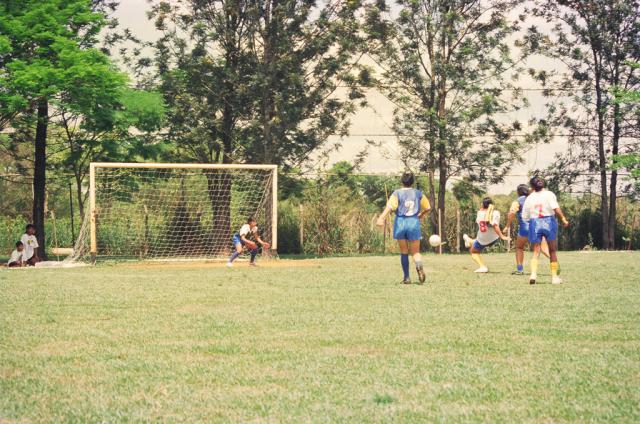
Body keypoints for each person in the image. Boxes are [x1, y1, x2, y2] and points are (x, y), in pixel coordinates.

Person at [376, 171, 431, 284]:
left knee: (404, 251)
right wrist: (421, 214)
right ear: (412, 182)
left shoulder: (397, 193)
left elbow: (390, 207)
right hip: (413, 222)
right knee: (415, 252)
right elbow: (428, 207)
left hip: (400, 222)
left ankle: (406, 278)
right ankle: (419, 267)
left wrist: (381, 218)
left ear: (402, 181)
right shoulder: (418, 193)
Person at [522, 176, 569, 285]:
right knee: (552, 250)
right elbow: (555, 208)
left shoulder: (529, 198)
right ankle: (554, 277)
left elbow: (525, 216)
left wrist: (532, 221)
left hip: (535, 222)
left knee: (536, 251)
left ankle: (533, 274)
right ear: (542, 183)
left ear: (532, 186)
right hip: (549, 221)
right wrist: (563, 218)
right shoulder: (549, 194)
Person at [504, 184, 550, 275]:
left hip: (525, 228)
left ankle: (520, 269)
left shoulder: (518, 201)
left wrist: (507, 226)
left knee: (519, 247)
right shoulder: (536, 199)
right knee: (544, 249)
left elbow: (512, 213)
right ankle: (555, 263)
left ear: (518, 192)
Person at [462, 197, 510, 273]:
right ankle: (469, 240)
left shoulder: (479, 213)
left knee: (473, 251)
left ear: (482, 205)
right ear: (492, 205)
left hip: (482, 239)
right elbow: (495, 225)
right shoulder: (496, 212)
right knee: (476, 241)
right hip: (494, 238)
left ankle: (482, 267)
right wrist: (501, 236)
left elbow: (482, 223)